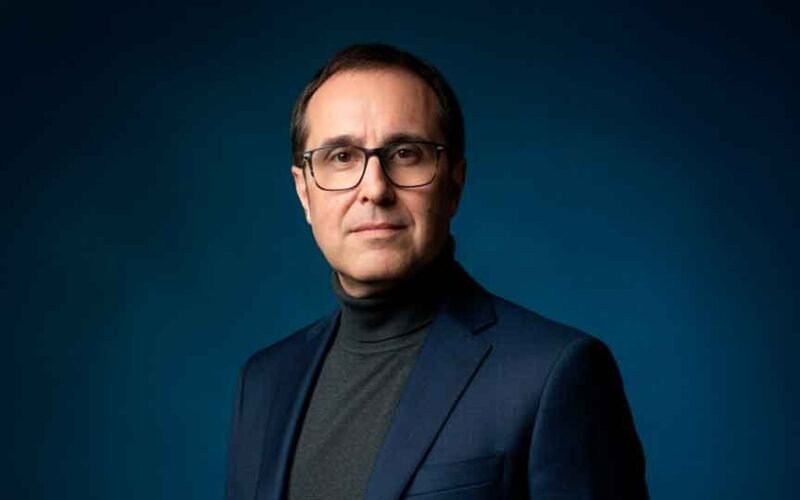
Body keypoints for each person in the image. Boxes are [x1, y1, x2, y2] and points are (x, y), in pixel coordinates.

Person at [224, 43, 648, 500]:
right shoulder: (263, 382)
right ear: (304, 192)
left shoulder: (553, 373)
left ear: (454, 185)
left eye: (406, 153)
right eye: (341, 157)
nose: (374, 189)